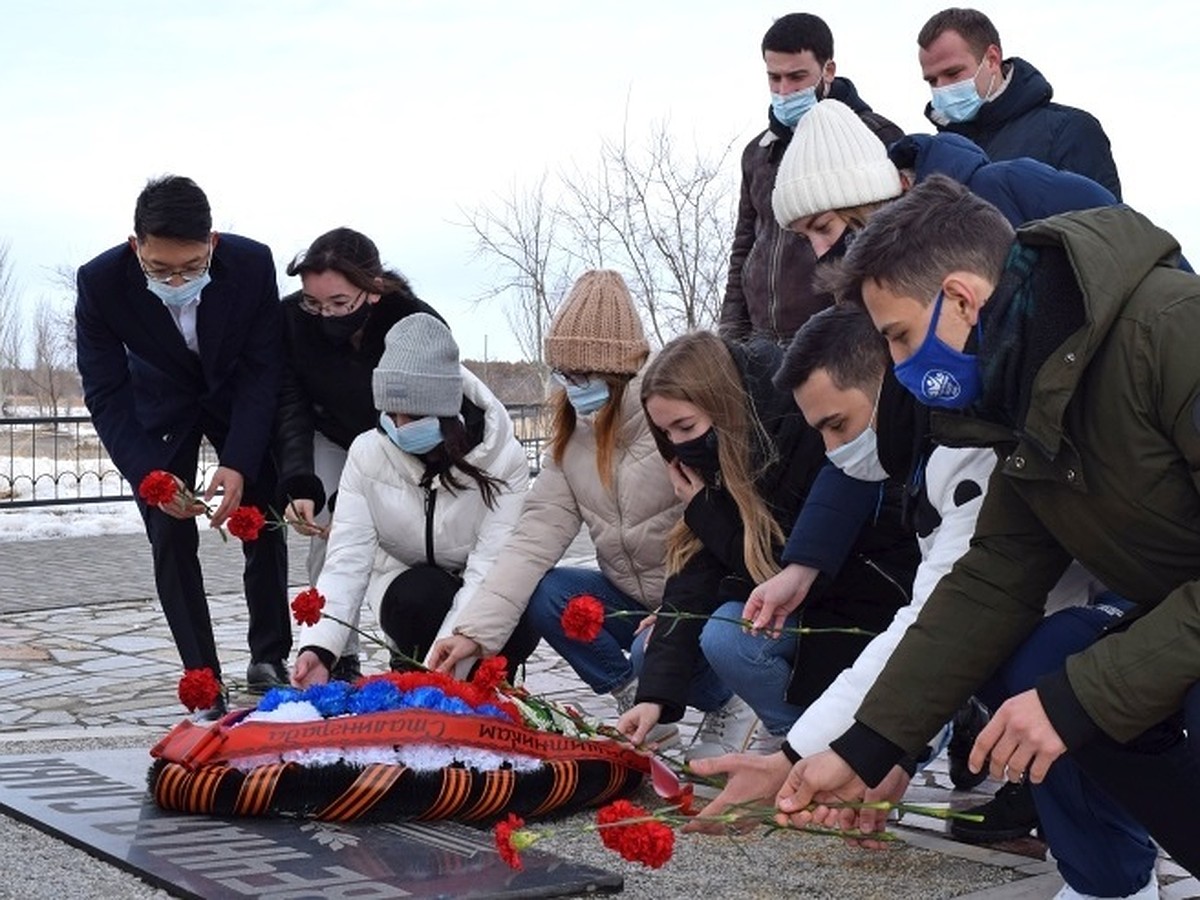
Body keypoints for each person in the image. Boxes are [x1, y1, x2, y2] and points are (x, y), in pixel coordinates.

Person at [775, 177, 1200, 893]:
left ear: (964, 297)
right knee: (1043, 660)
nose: (901, 368)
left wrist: (1079, 702)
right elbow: (994, 575)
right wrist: (870, 747)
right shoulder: (1024, 396)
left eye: (900, 338)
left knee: (1084, 693)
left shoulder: (1171, 333)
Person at [617, 330, 918, 760]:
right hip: (795, 605)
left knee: (729, 634)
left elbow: (782, 564)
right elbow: (697, 570)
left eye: (685, 427)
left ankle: (816, 747)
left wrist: (704, 510)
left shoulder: (798, 432)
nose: (680, 444)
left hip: (859, 599)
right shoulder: (712, 458)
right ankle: (800, 745)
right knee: (658, 646)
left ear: (722, 405)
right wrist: (655, 698)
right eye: (667, 434)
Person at [428, 271, 689, 745]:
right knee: (551, 593)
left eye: (583, 375)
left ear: (619, 370)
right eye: (563, 375)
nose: (571, 387)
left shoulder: (673, 423)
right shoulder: (573, 440)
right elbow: (531, 541)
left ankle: (724, 705)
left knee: (660, 651)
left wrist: (678, 610)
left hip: (693, 600)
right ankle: (633, 696)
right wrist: (473, 634)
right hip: (630, 597)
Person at [75, 175, 291, 716]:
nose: (177, 279)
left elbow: (266, 369)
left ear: (213, 243)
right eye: (160, 268)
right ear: (136, 248)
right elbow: (105, 392)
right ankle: (203, 676)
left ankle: (269, 655)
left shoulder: (252, 264)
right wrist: (150, 475)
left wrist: (239, 460)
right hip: (160, 407)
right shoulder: (100, 283)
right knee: (169, 535)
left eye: (192, 267)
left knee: (261, 516)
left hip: (235, 397)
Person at [292, 313, 535, 687]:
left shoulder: (503, 459)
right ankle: (414, 669)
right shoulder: (368, 453)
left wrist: (449, 656)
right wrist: (319, 648)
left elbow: (490, 564)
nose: (400, 427)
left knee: (524, 602)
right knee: (420, 593)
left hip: (483, 591)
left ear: (448, 413)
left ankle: (489, 682)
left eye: (415, 416)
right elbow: (346, 559)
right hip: (410, 589)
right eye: (391, 414)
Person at [274, 227, 445, 681]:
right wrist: (299, 481)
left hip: (397, 437)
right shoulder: (292, 319)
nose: (323, 315)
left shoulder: (413, 320)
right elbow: (289, 403)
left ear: (372, 291)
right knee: (325, 533)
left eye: (338, 304)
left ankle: (406, 652)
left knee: (406, 539)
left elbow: (434, 403)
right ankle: (334, 654)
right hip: (329, 435)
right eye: (314, 302)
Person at [718, 12, 902, 344]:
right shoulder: (757, 153)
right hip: (761, 341)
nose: (784, 90)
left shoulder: (878, 138)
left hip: (837, 337)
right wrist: (731, 338)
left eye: (797, 77)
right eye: (774, 78)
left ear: (828, 70)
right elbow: (744, 246)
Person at [916, 7, 1121, 199]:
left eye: (953, 73)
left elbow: (1104, 228)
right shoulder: (933, 155)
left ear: (992, 59)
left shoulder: (1069, 130)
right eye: (932, 80)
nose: (941, 88)